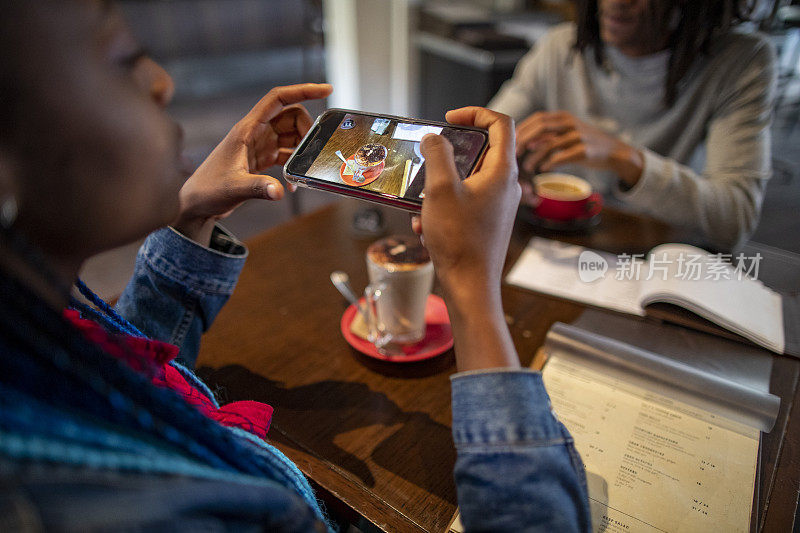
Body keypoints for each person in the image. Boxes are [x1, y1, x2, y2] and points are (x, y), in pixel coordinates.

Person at [0, 1, 590, 531]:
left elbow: (130, 376)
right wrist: (471, 289)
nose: (161, 81)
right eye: (123, 58)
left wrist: (188, 219)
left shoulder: (36, 347)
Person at [489, 0, 777, 251]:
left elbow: (735, 220)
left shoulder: (740, 61)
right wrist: (509, 170)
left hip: (664, 257)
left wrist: (626, 159)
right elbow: (485, 140)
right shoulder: (560, 48)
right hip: (560, 247)